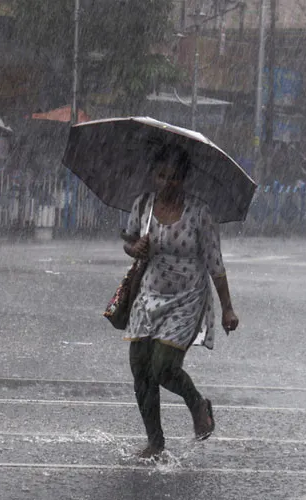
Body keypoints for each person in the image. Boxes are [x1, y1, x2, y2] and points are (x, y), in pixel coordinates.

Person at [122, 145, 240, 460]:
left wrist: (227, 306)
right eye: (161, 176)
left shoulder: (200, 213)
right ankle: (155, 441)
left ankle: (197, 404)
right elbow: (128, 240)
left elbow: (215, 262)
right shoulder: (143, 206)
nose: (167, 183)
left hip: (187, 299)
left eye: (174, 178)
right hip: (149, 293)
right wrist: (136, 248)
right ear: (153, 175)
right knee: (140, 367)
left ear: (185, 179)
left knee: (163, 366)